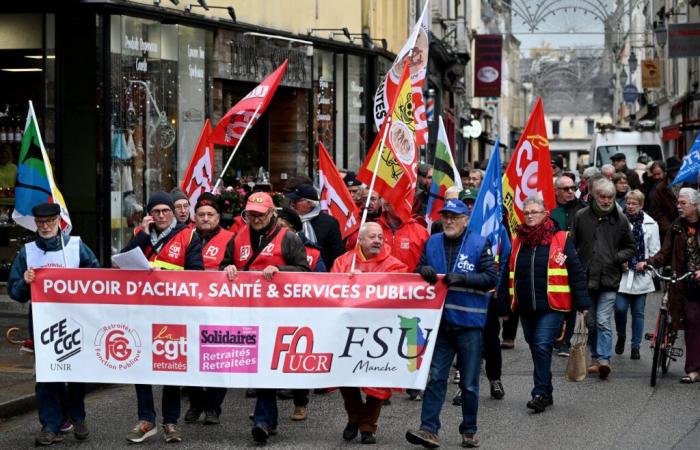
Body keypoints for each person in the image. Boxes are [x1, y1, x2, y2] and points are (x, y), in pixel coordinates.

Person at [406, 199, 498, 449]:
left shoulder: (480, 243)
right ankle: (428, 429)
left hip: (469, 324)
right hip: (440, 324)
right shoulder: (432, 241)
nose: (448, 221)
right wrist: (422, 270)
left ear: (465, 220)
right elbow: (418, 269)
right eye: (445, 216)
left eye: (454, 217)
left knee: (468, 382)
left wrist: (464, 278)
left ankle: (469, 430)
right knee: (435, 377)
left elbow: (491, 278)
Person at [221, 192, 310, 443]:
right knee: (259, 367)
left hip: (279, 314)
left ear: (273, 213)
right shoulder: (237, 239)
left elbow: (305, 271)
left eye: (260, 214)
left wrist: (280, 270)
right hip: (247, 312)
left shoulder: (288, 238)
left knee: (267, 367)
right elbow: (224, 267)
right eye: (251, 214)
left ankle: (264, 419)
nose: (256, 218)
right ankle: (266, 420)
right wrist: (227, 268)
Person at [8, 203, 100, 446]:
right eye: (40, 222)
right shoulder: (27, 252)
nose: (45, 226)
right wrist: (25, 283)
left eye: (49, 221)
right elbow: (14, 292)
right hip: (43, 323)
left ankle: (77, 417)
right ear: (35, 223)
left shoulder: (75, 245)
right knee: (47, 376)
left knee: (76, 373)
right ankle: (50, 424)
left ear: (59, 221)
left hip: (74, 321)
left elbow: (96, 275)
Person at [121, 191, 204, 443]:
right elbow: (122, 264)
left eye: (165, 211)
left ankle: (170, 422)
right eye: (156, 211)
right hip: (142, 311)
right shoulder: (140, 235)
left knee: (171, 367)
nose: (161, 215)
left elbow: (197, 273)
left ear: (173, 212)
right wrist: (143, 236)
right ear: (149, 214)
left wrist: (163, 276)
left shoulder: (188, 235)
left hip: (174, 311)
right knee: (141, 367)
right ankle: (147, 420)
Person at [500, 197, 590, 413]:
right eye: (527, 212)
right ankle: (546, 390)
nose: (530, 215)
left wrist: (582, 302)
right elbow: (507, 273)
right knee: (535, 346)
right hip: (526, 306)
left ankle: (539, 393)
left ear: (545, 214)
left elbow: (575, 271)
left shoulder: (560, 238)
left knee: (541, 345)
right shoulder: (517, 240)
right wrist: (504, 305)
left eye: (535, 212)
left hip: (553, 306)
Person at [332, 222, 407, 444]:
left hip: (380, 331)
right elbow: (328, 289)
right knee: (346, 375)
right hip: (348, 329)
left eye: (380, 237)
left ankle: (367, 426)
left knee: (379, 377)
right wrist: (346, 281)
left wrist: (365, 283)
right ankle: (355, 416)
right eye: (372, 237)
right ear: (360, 240)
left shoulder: (395, 265)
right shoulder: (343, 262)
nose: (377, 240)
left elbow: (401, 291)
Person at [572, 178, 635, 379]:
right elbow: (572, 244)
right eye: (603, 197)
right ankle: (594, 359)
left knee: (602, 320)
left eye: (610, 197)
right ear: (594, 196)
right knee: (590, 322)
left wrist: (616, 258)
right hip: (586, 278)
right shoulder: (582, 216)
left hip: (609, 278)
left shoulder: (621, 219)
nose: (607, 201)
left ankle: (604, 360)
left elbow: (631, 247)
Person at [641, 188, 700, 383]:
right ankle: (692, 369)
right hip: (684, 282)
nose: (678, 206)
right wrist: (649, 262)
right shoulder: (677, 226)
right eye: (678, 203)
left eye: (683, 203)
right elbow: (664, 253)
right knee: (691, 321)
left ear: (695, 205)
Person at [184, 193, 233, 425]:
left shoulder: (231, 238)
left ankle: (214, 406)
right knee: (191, 357)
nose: (205, 219)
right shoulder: (185, 236)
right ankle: (196, 402)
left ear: (218, 217)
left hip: (220, 308)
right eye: (201, 214)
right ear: (194, 216)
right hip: (190, 307)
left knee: (218, 358)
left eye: (210, 215)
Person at [614, 190, 660, 360]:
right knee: (619, 309)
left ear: (641, 205)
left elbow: (655, 250)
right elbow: (613, 244)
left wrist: (646, 262)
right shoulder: (618, 220)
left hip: (641, 274)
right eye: (628, 203)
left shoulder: (650, 224)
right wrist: (620, 259)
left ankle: (635, 346)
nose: (630, 206)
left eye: (635, 204)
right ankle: (621, 336)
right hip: (622, 273)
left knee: (638, 313)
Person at [286, 183, 345, 268]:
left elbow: (337, 253)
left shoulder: (329, 223)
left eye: (296, 201)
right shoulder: (287, 221)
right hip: (293, 272)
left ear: (309, 203)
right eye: (291, 201)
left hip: (321, 274)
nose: (292, 204)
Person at [376, 199, 429, 272]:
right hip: (379, 282)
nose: (403, 205)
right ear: (386, 205)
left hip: (411, 282)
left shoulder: (421, 232)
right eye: (398, 201)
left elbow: (429, 262)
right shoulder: (372, 230)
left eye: (405, 201)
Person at [651, 156, 682, 241]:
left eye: (678, 170)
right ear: (670, 172)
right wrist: (669, 229)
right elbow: (657, 212)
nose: (677, 173)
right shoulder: (660, 188)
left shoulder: (689, 183)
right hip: (669, 230)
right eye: (674, 171)